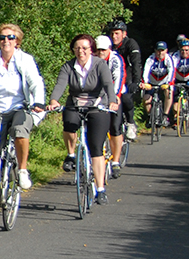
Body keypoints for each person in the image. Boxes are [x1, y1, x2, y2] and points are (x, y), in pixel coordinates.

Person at [0, 23, 45, 191]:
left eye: (10, 37)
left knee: (20, 131)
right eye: (2, 37)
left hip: (19, 107)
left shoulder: (24, 59)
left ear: (17, 41)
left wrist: (39, 101)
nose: (6, 40)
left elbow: (36, 82)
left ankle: (22, 170)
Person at [47, 33, 116, 205]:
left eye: (84, 48)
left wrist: (112, 101)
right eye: (77, 48)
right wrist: (54, 100)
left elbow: (108, 84)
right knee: (69, 124)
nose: (81, 51)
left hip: (97, 105)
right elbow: (60, 85)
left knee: (96, 147)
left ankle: (100, 189)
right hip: (75, 103)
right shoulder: (69, 66)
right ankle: (71, 155)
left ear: (91, 50)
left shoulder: (100, 65)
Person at [95, 34, 126, 177]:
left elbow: (119, 78)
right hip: (98, 96)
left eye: (103, 50)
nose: (101, 53)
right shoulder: (92, 59)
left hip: (115, 93)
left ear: (109, 49)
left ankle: (116, 161)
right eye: (98, 50)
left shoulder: (115, 59)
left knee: (115, 127)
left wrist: (115, 98)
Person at [108, 19, 142, 139]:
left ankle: (131, 122)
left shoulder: (131, 44)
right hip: (113, 75)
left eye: (117, 33)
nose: (114, 36)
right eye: (112, 33)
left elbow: (136, 63)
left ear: (124, 34)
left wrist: (136, 82)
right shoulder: (108, 45)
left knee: (126, 98)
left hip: (128, 75)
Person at [141, 41, 174, 123]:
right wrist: (145, 82)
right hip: (151, 83)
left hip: (164, 83)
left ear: (166, 50)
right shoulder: (150, 59)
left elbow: (172, 71)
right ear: (155, 50)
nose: (160, 53)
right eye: (158, 50)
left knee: (168, 93)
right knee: (146, 99)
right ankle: (149, 116)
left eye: (162, 50)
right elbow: (146, 71)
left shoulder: (168, 59)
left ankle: (165, 116)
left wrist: (168, 83)